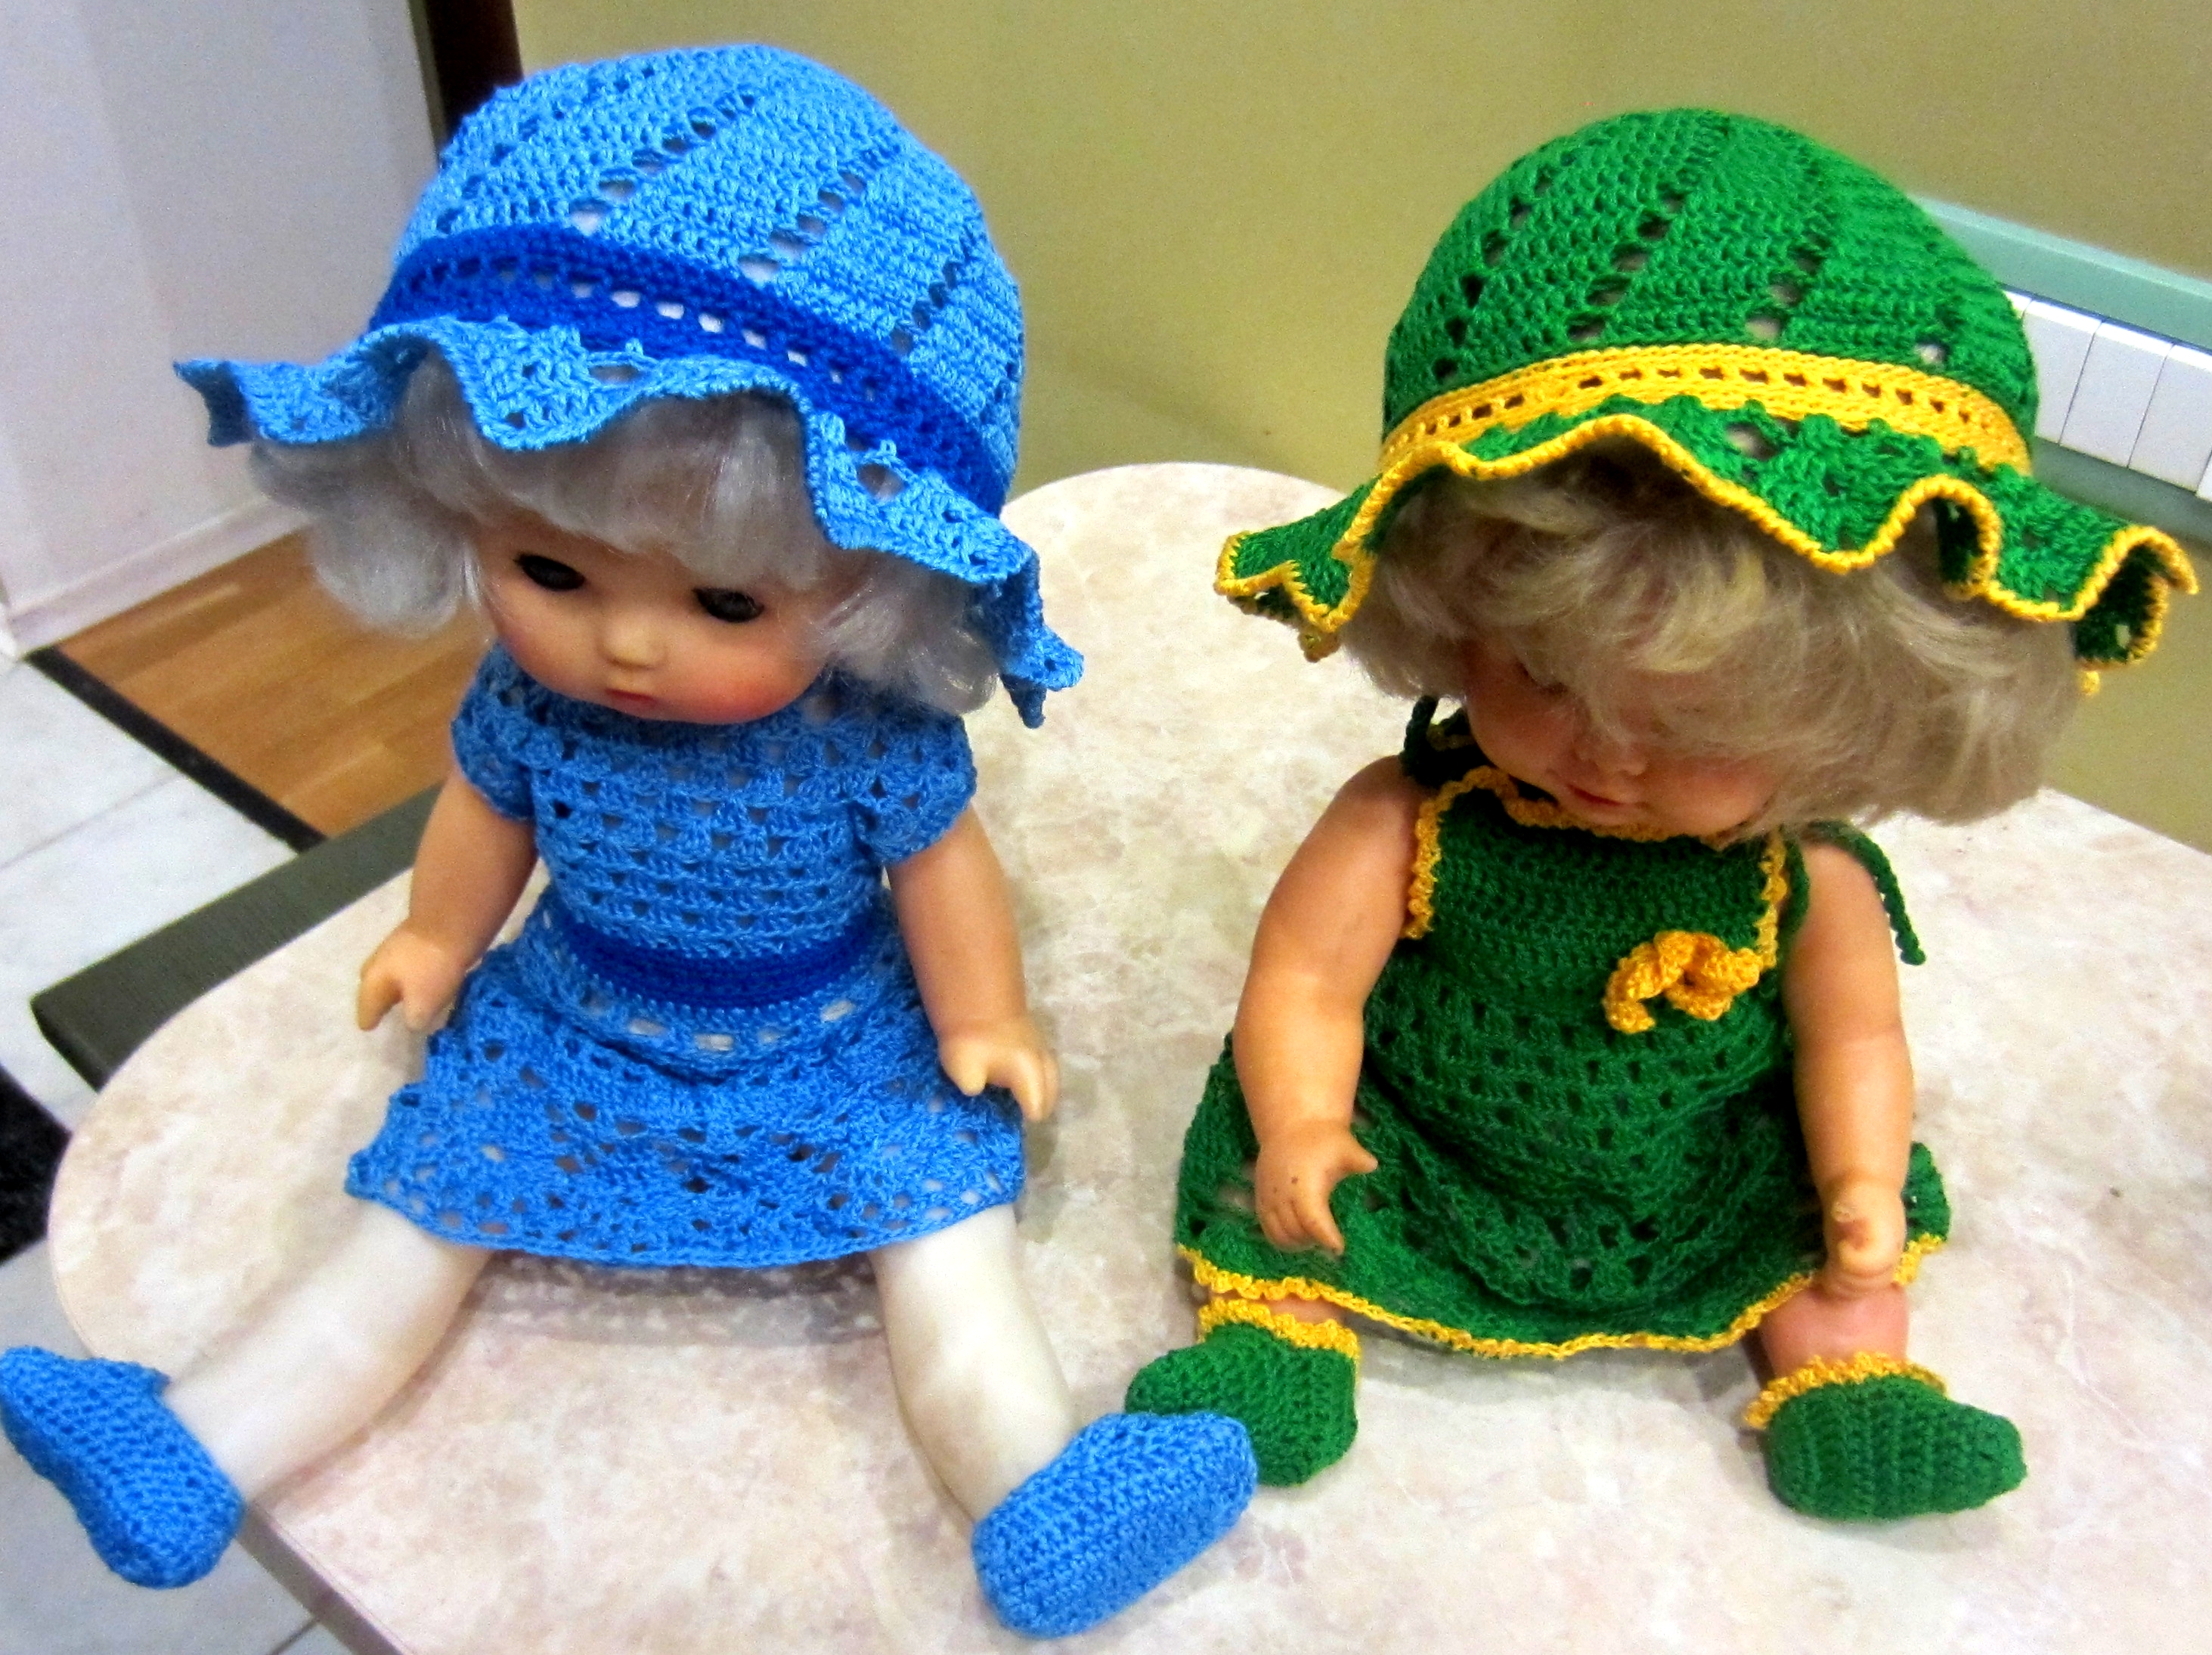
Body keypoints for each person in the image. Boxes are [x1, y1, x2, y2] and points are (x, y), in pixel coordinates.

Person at [0, 46, 1251, 1638]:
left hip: (834, 1031)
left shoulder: (869, 735)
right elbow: (483, 815)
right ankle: (197, 1443)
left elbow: (944, 868)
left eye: (725, 600)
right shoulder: (528, 709)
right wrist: (438, 937)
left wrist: (982, 1018)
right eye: (548, 570)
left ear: (874, 588)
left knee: (949, 1254)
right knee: (404, 1234)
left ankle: (1036, 1483)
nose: (628, 646)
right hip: (572, 1020)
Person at [1124, 108, 2195, 1521]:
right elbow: (1306, 984)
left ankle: (1847, 1383)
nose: (1606, 760)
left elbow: (1854, 1036)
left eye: (1695, 733)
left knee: (1825, 1250)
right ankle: (1277, 1349)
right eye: (1547, 677)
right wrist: (1307, 1120)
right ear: (1453, 604)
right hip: (1426, 1141)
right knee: (1282, 1214)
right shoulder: (1406, 822)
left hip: (1693, 1165)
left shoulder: (1803, 882)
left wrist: (1860, 1177)